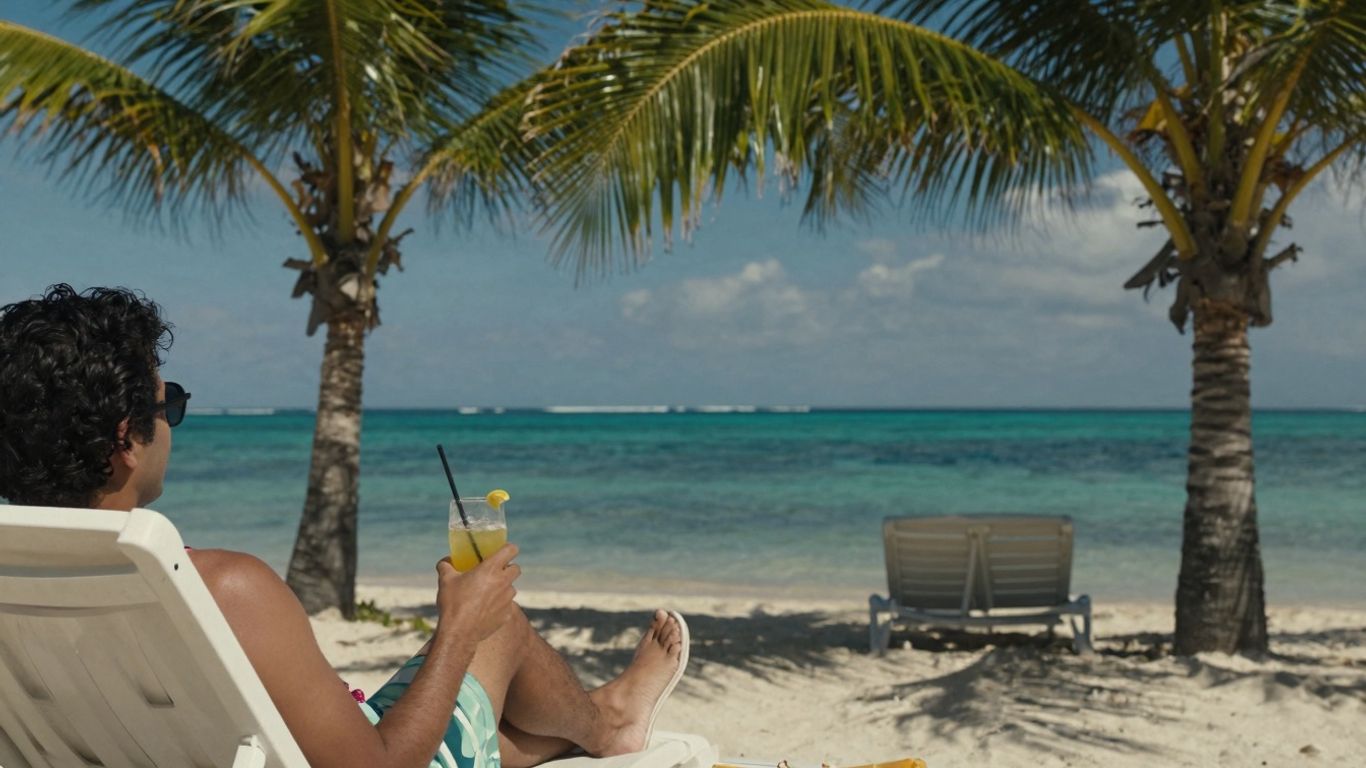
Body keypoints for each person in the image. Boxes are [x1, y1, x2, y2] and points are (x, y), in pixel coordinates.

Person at [0, 284, 689, 768]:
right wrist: (457, 628)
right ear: (126, 439)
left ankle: (589, 723)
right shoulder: (227, 589)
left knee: (489, 713)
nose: (174, 423)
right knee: (496, 626)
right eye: (168, 404)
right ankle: (608, 725)